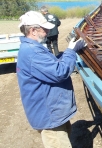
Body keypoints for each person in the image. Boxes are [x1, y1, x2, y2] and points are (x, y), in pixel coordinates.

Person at [16, 11, 86, 148]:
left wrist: (67, 53)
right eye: (44, 28)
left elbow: (52, 66)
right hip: (49, 115)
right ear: (33, 31)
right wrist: (71, 51)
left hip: (53, 112)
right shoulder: (33, 53)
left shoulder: (33, 48)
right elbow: (59, 72)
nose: (48, 31)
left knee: (65, 137)